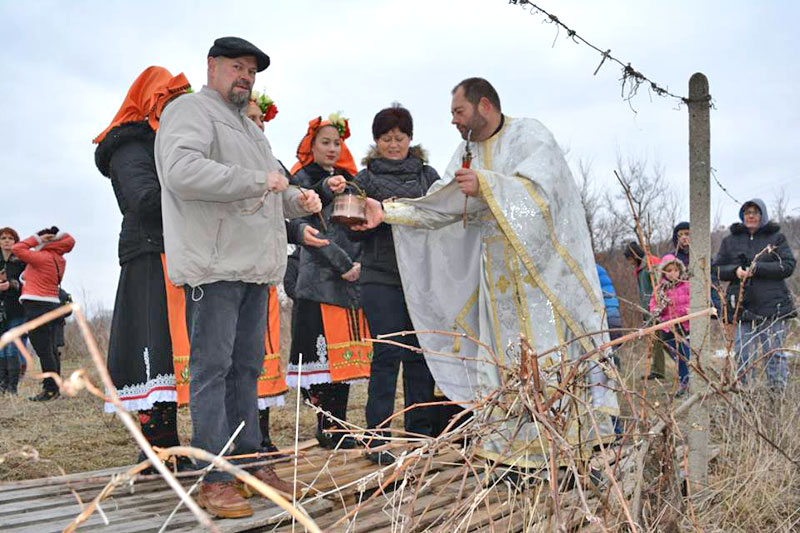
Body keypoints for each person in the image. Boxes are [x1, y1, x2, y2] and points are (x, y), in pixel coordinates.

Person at [354, 78, 618, 468]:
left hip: (543, 281)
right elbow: (441, 204)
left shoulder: (531, 136)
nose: (453, 121)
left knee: (549, 363)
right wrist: (387, 212)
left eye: (458, 112)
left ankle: (560, 452)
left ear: (484, 106)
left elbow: (548, 199)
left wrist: (487, 185)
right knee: (502, 367)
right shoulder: (468, 152)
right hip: (498, 288)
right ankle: (510, 456)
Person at [155, 36, 322, 518]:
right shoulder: (189, 111)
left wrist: (300, 201)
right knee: (212, 372)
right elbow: (181, 171)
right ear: (212, 66)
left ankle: (248, 464)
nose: (245, 77)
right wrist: (258, 181)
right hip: (214, 266)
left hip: (252, 268)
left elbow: (276, 187)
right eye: (236, 66)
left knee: (246, 371)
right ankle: (215, 476)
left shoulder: (250, 129)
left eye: (251, 71)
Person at [93, 66, 191, 462]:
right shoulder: (130, 148)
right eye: (170, 104)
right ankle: (155, 448)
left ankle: (169, 443)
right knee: (154, 347)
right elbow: (146, 201)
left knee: (172, 350)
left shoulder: (170, 144)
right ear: (152, 104)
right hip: (149, 255)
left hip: (176, 253)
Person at [348, 104, 440, 465]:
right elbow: (349, 226)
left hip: (421, 278)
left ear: (410, 139)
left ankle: (421, 435)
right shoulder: (365, 178)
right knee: (387, 354)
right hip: (380, 277)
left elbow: (440, 216)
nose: (393, 144)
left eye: (400, 137)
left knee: (420, 355)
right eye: (386, 138)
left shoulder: (427, 176)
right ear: (376, 141)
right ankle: (377, 437)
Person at [285, 114, 371, 449]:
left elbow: (359, 226)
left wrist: (360, 262)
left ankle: (339, 425)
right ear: (312, 145)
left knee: (342, 357)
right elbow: (309, 233)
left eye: (337, 142)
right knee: (321, 357)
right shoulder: (301, 180)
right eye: (325, 142)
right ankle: (327, 426)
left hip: (347, 280)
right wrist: (344, 264)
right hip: (318, 278)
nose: (333, 148)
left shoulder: (350, 181)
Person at [713, 198, 796, 391]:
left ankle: (777, 394)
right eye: (747, 212)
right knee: (742, 353)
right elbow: (716, 269)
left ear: (762, 215)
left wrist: (757, 268)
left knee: (773, 353)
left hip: (772, 305)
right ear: (742, 216)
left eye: (755, 212)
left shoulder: (776, 238)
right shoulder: (730, 240)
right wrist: (735, 271)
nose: (751, 216)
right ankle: (745, 394)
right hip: (742, 305)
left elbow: (788, 265)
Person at [12, 227, 75, 401]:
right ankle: (55, 388)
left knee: (43, 350)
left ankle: (50, 390)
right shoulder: (59, 259)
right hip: (51, 305)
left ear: (48, 241)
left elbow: (17, 248)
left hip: (37, 306)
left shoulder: (41, 257)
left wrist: (37, 239)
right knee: (51, 349)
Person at [624, 241, 666, 380]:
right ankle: (657, 370)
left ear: (634, 256)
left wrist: (657, 306)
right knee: (656, 340)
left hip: (656, 309)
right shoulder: (641, 268)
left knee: (661, 340)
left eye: (630, 259)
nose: (630, 263)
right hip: (648, 309)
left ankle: (660, 370)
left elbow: (659, 285)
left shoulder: (650, 264)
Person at [649, 254, 691, 396]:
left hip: (685, 325)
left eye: (676, 270)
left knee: (688, 354)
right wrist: (658, 310)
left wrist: (688, 310)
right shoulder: (660, 289)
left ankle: (691, 381)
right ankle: (684, 381)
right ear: (664, 272)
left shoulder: (686, 285)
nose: (673, 273)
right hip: (669, 329)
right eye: (669, 271)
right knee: (678, 357)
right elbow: (653, 307)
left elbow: (692, 301)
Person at [0, 227, 26, 395]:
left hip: (17, 309)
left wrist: (11, 284)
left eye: (10, 238)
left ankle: (12, 388)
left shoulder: (22, 260)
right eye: (3, 238)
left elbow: (28, 282)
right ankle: (2, 386)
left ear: (15, 241)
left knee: (12, 347)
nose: (7, 241)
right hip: (1, 310)